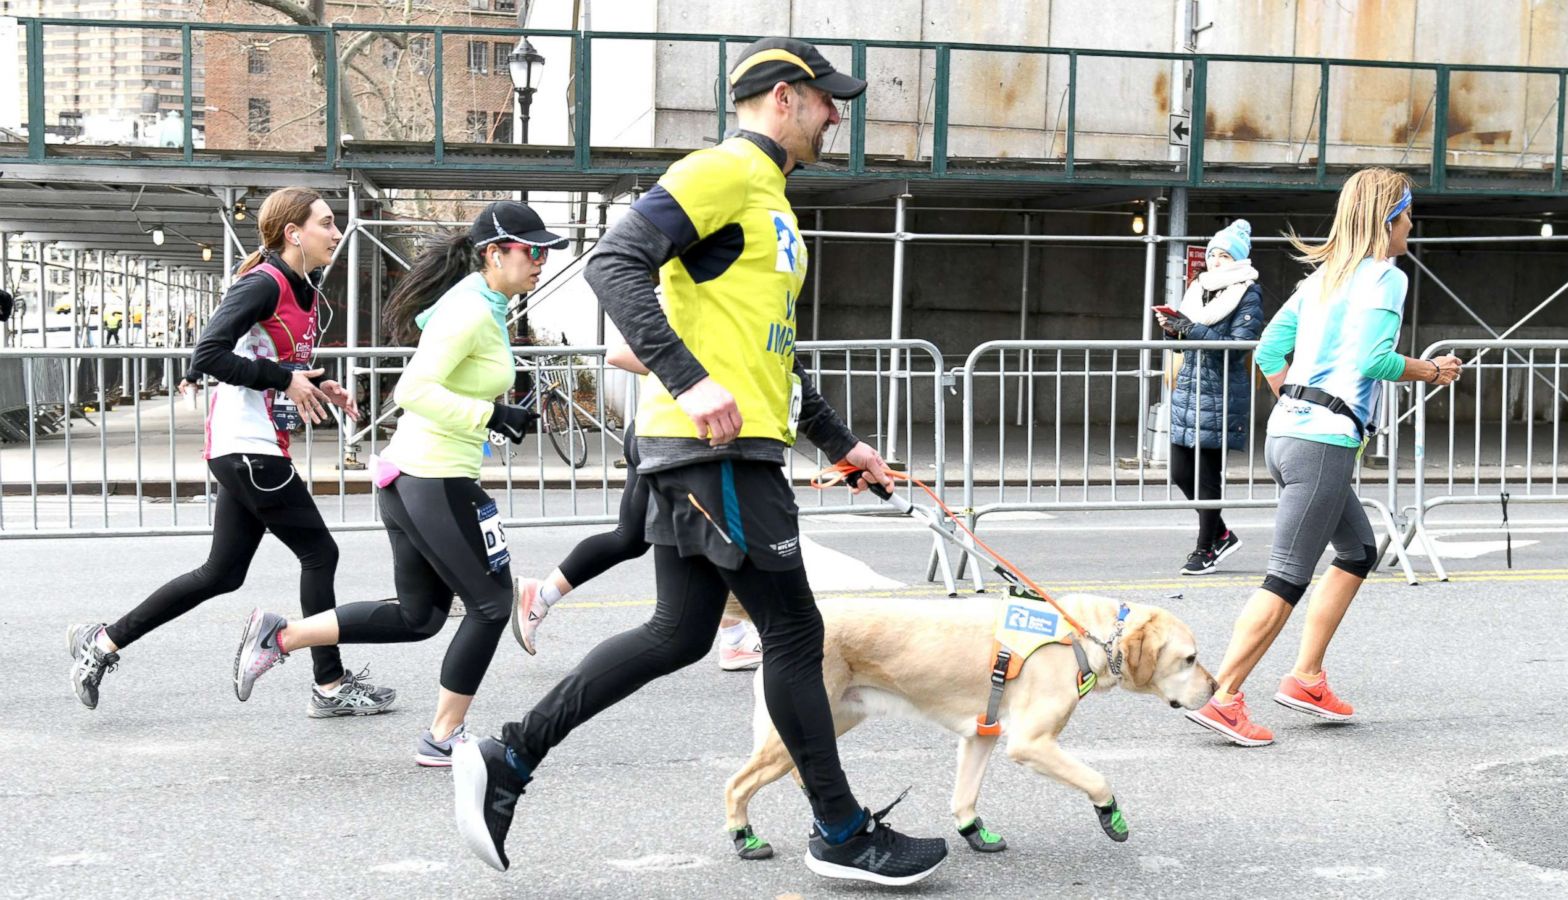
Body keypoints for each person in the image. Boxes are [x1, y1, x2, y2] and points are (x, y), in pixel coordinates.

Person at [453, 38, 949, 886]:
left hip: (731, 445)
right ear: (785, 99)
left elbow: (773, 355)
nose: (838, 115)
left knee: (681, 631)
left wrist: (841, 443)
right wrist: (689, 380)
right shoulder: (723, 171)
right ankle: (840, 830)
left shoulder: (774, 203)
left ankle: (509, 756)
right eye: (828, 100)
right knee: (795, 631)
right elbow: (615, 264)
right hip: (713, 450)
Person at [233, 201, 568, 767]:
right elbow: (411, 391)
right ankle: (443, 736)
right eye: (532, 251)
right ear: (495, 254)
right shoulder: (467, 311)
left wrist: (492, 410)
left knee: (421, 617)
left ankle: (281, 635)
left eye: (543, 252)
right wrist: (492, 416)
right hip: (433, 476)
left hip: (416, 476)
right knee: (488, 606)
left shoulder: (483, 303)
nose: (541, 262)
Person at [65, 187, 393, 717]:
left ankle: (101, 643)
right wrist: (284, 379)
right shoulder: (261, 284)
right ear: (293, 233)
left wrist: (319, 383)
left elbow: (273, 360)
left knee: (222, 572)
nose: (336, 233)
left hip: (253, 447)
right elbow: (209, 355)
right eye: (327, 223)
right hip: (248, 448)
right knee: (320, 553)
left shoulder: (301, 288)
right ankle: (329, 687)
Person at [1185, 168, 1462, 747]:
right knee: (1286, 577)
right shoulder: (1386, 278)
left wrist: (1295, 401)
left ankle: (1306, 677)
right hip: (1322, 445)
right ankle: (1225, 697)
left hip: (1289, 436)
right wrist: (1432, 371)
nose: (1413, 224)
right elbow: (1373, 360)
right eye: (1409, 213)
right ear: (1390, 218)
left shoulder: (1322, 280)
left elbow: (1268, 351)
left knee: (1359, 550)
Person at [509, 343, 764, 671]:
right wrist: (696, 380)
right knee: (711, 536)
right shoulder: (678, 297)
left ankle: (542, 594)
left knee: (636, 538)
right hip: (671, 435)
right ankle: (735, 640)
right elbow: (618, 353)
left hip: (663, 432)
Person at [1156, 218, 1264, 575]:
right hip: (1189, 390)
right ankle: (1221, 534)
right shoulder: (1199, 289)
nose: (1216, 260)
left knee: (1206, 478)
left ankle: (1205, 548)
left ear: (1238, 259)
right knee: (1179, 472)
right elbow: (1187, 346)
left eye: (1224, 255)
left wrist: (1191, 328)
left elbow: (1237, 348)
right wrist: (1174, 331)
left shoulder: (1247, 292)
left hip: (1220, 394)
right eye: (1213, 254)